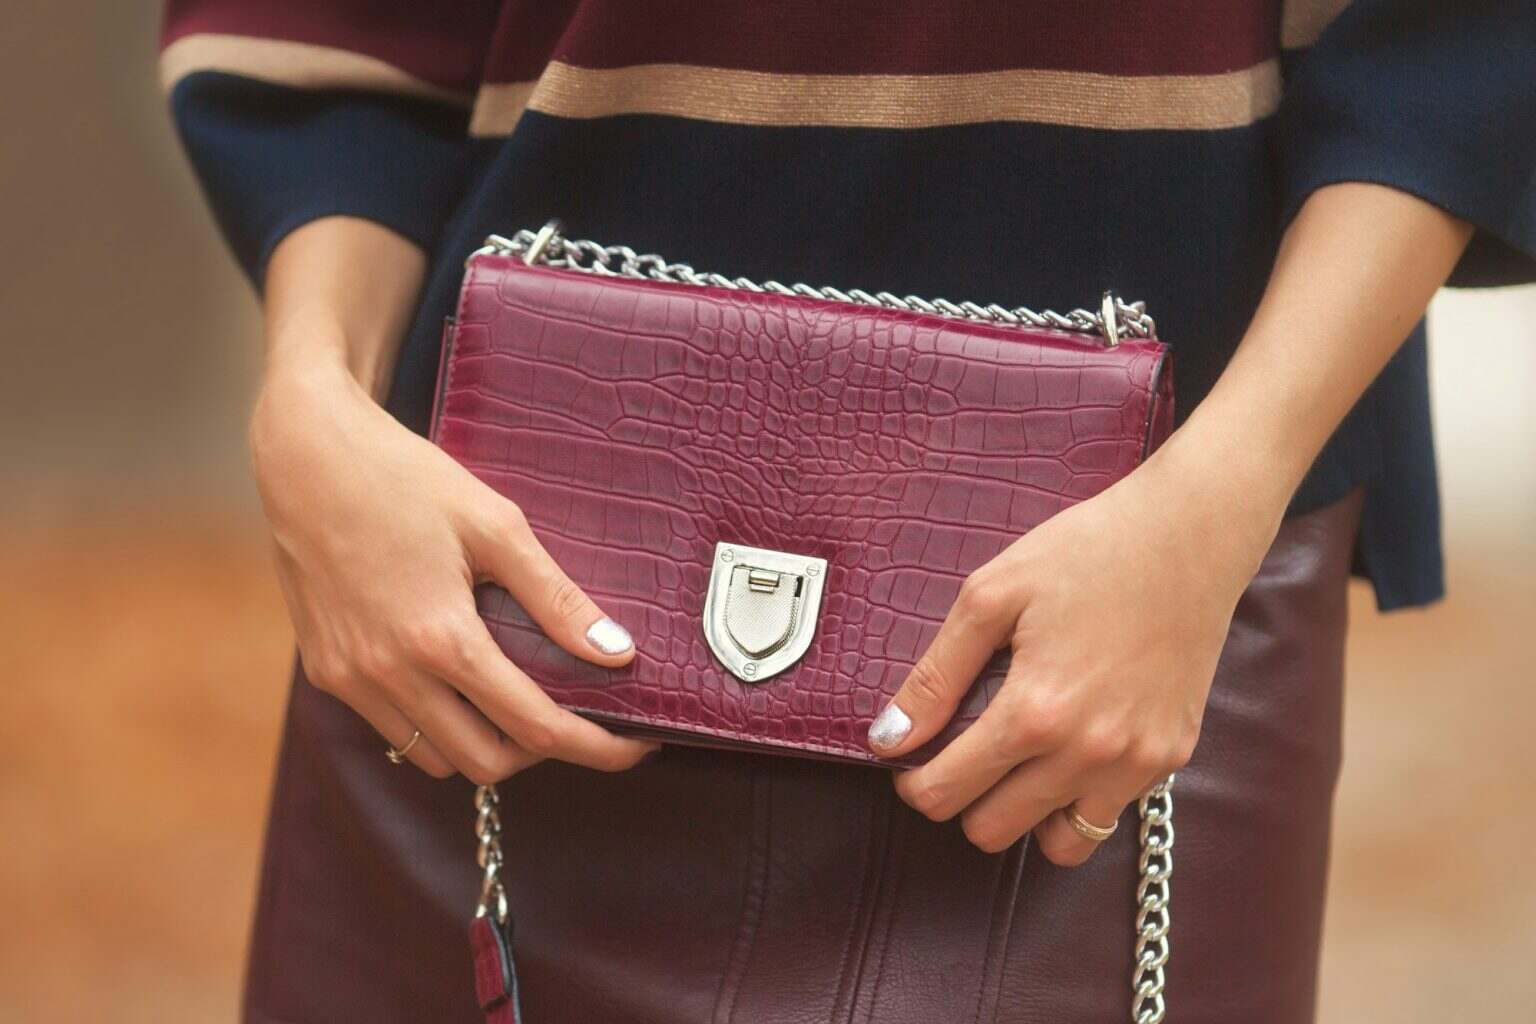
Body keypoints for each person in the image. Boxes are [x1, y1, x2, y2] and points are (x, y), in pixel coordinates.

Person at [159, 3, 1535, 1022]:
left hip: (1128, 622)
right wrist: (311, 391)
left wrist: (1225, 490)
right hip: (480, 615)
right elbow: (342, 28)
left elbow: (1459, 41)